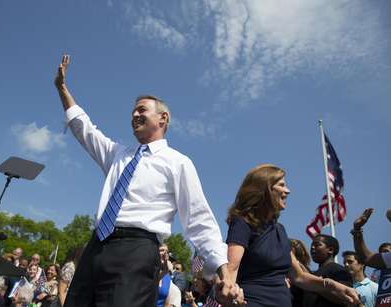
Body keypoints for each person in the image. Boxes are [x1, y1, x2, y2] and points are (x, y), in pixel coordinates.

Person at [54, 54, 237, 307]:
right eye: (132, 111)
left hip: (137, 252)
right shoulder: (117, 154)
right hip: (95, 248)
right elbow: (83, 128)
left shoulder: (178, 162)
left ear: (163, 118)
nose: (134, 114)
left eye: (142, 109)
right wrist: (62, 89)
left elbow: (199, 220)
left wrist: (224, 273)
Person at [225, 164, 361, 307]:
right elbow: (231, 269)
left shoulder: (280, 230)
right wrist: (230, 297)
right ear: (265, 189)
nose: (287, 191)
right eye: (282, 185)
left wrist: (334, 286)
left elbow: (299, 277)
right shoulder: (242, 223)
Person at [304, 234, 353, 307]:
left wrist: (316, 285)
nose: (312, 248)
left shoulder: (338, 270)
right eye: (312, 245)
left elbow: (345, 299)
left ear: (330, 250)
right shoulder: (314, 273)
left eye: (317, 245)